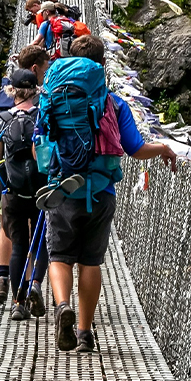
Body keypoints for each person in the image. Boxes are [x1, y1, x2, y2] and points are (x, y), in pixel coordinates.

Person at [41, 34, 178, 353]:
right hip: (101, 192)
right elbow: (135, 148)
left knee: (59, 256)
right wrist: (162, 148)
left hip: (62, 190)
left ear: (68, 59)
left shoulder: (53, 96)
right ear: (103, 66)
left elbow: (41, 144)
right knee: (91, 261)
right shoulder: (114, 103)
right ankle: (85, 333)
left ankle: (62, 307)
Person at [0, 45, 50, 304]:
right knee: (40, 239)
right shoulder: (43, 113)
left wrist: (1, 179)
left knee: (16, 241)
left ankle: (16, 300)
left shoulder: (0, 115)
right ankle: (35, 284)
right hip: (41, 188)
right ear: (35, 87)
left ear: (12, 89)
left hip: (13, 189)